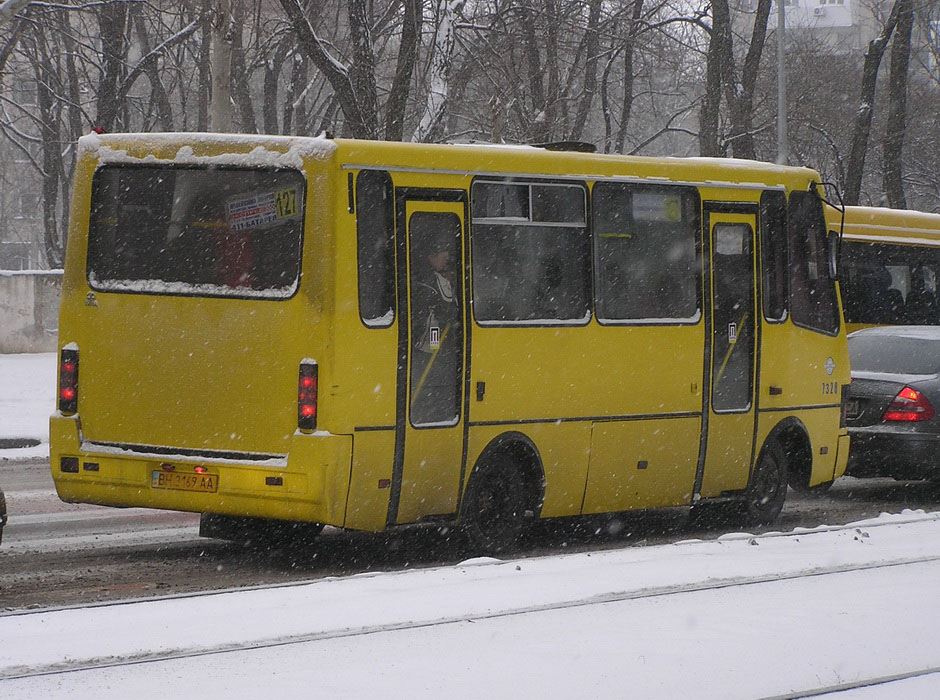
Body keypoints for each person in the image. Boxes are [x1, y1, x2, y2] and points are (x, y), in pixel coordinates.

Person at [411, 233, 460, 425]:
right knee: (431, 359)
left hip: (424, 335)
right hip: (430, 331)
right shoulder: (432, 280)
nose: (445, 263)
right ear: (431, 257)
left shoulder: (420, 274)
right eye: (443, 258)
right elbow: (447, 309)